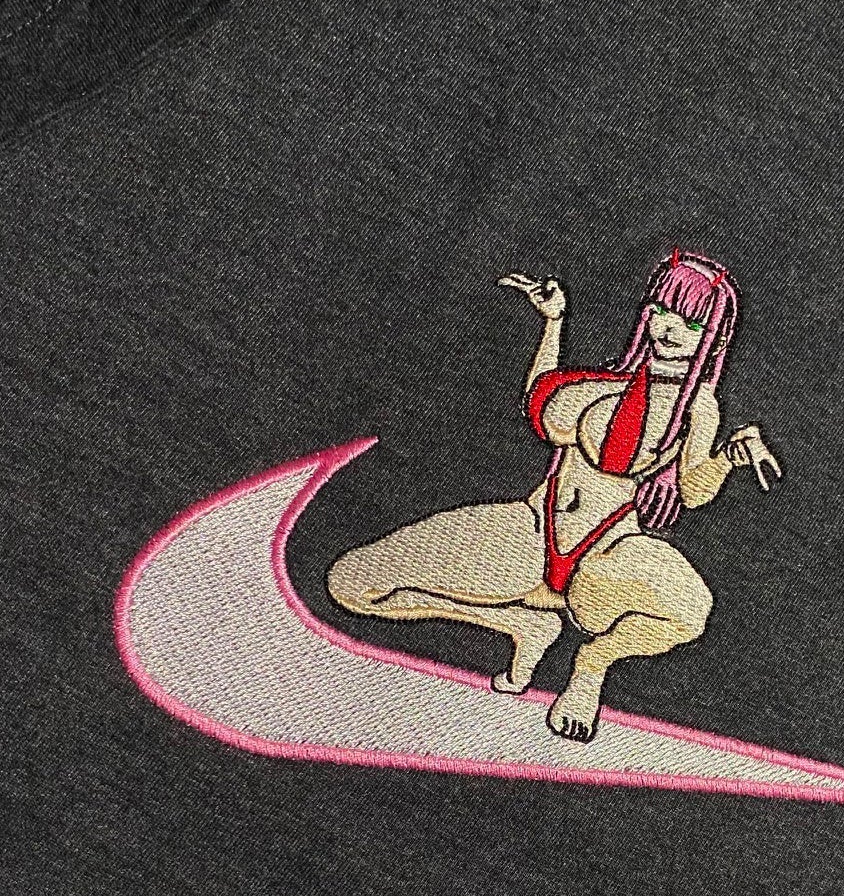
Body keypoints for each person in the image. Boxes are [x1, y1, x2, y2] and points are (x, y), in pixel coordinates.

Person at [327, 250, 783, 742]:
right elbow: (538, 402)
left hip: (608, 557)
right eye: (661, 310)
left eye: (689, 322)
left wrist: (727, 459)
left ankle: (591, 667)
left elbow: (692, 490)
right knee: (351, 583)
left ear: (713, 337)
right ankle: (519, 625)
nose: (669, 328)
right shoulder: (607, 379)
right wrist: (553, 322)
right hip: (532, 530)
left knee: (690, 611)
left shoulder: (698, 406)